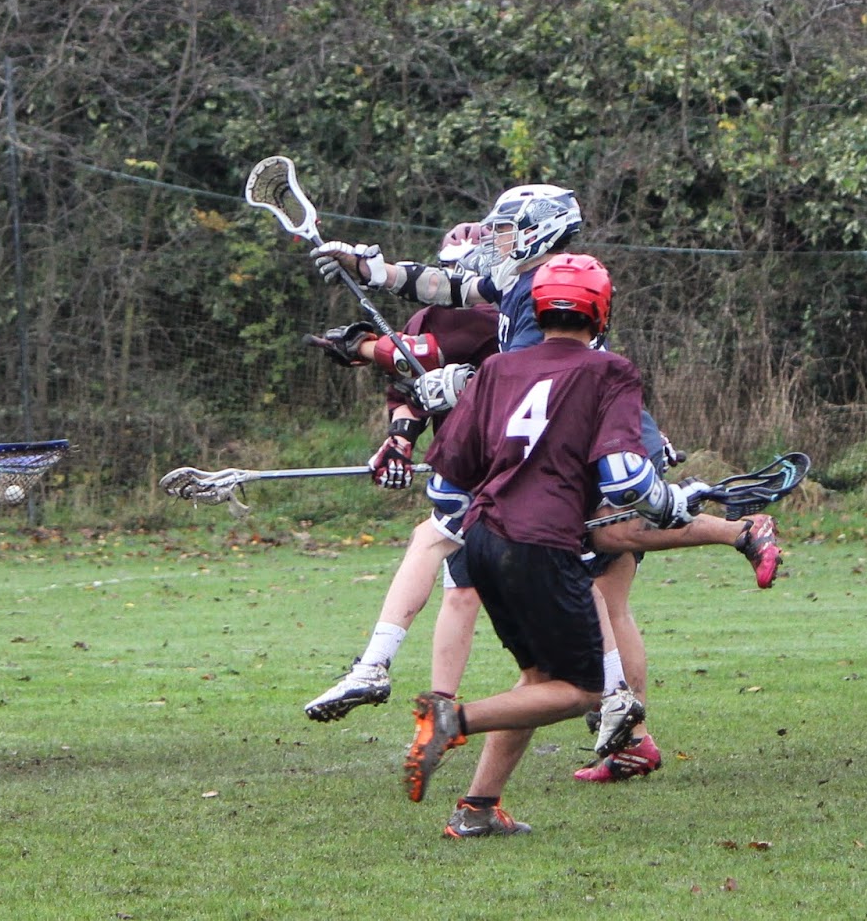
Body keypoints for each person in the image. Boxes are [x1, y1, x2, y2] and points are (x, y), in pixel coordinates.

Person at [312, 186, 783, 781]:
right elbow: (449, 287)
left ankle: (401, 679)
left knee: (588, 556)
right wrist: (370, 270)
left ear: (541, 231)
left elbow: (542, 382)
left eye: (506, 231)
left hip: (585, 432)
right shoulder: (523, 280)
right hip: (581, 429)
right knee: (602, 574)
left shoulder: (548, 290)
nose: (495, 242)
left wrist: (458, 384)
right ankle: (624, 725)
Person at [402, 253, 694, 836]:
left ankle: (477, 810)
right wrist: (672, 504)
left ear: (536, 309)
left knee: (538, 680)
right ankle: (450, 720)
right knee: (585, 690)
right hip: (540, 545)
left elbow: (445, 487)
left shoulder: (497, 369)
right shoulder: (609, 371)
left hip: (481, 542)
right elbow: (625, 479)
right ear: (601, 313)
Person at [300, 224, 499, 723]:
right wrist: (400, 440)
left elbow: (427, 354)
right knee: (461, 590)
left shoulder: (495, 314)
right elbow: (410, 388)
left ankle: (373, 666)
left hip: (502, 463)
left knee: (434, 544)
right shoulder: (423, 317)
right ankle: (440, 709)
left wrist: (364, 346)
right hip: (465, 461)